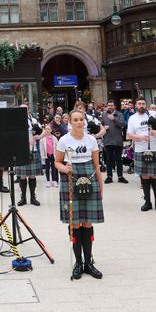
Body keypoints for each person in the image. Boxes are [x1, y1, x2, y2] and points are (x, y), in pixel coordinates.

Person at [55, 108, 103, 280]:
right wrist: (64, 168)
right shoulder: (64, 140)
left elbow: (96, 165)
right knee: (75, 224)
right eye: (75, 120)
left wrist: (101, 187)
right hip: (70, 179)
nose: (79, 122)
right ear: (70, 122)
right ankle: (78, 262)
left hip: (89, 178)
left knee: (87, 223)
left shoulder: (91, 140)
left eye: (81, 119)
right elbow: (57, 162)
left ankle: (88, 263)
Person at [126, 98, 156, 213]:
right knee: (144, 176)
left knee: (155, 176)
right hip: (140, 150)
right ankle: (147, 202)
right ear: (136, 105)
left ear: (146, 105)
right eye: (139, 103)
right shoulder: (132, 118)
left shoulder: (154, 114)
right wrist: (140, 137)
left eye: (143, 103)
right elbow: (129, 135)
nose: (141, 105)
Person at [14, 107, 42, 206]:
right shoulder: (16, 121)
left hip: (32, 150)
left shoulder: (33, 120)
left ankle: (33, 197)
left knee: (32, 175)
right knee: (22, 176)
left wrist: (38, 137)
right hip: (21, 150)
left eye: (25, 109)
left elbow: (41, 131)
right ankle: (23, 198)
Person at [101, 101, 128, 184]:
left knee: (119, 159)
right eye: (108, 105)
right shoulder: (104, 115)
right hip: (108, 140)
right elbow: (100, 125)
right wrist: (103, 127)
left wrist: (114, 119)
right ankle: (109, 177)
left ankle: (120, 177)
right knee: (109, 159)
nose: (110, 107)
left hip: (117, 140)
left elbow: (123, 124)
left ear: (115, 106)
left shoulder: (120, 114)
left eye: (111, 105)